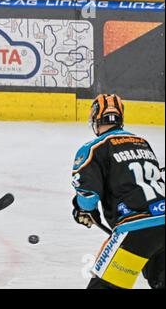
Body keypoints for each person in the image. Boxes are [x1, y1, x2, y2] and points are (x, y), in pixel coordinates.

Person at [71, 94, 165, 289]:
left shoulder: (94, 148)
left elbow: (88, 196)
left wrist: (82, 209)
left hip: (136, 228)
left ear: (96, 119)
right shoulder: (142, 142)